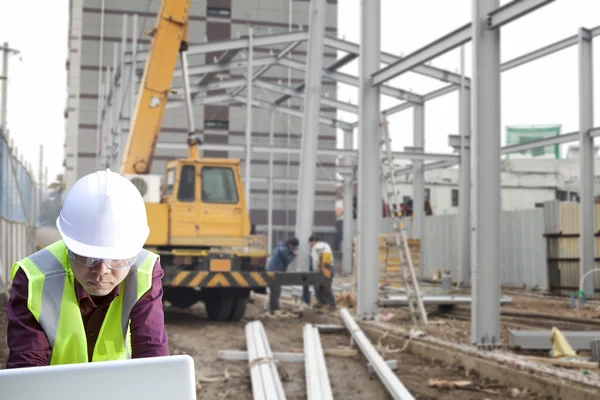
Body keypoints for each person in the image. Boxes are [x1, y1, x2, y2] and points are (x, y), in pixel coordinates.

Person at [6, 169, 169, 368]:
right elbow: (27, 365)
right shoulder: (33, 277)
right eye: (88, 258)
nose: (102, 270)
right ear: (69, 246)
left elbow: (151, 353)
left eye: (116, 260)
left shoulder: (145, 272)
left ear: (132, 253)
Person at [302, 234, 336, 309]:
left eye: (311, 243)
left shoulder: (314, 248)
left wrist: (315, 272)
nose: (311, 245)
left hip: (321, 269)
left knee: (317, 285)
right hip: (330, 268)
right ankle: (331, 303)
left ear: (313, 241)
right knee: (327, 286)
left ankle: (322, 302)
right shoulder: (326, 245)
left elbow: (315, 261)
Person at [266, 237, 299, 312]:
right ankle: (274, 309)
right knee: (275, 290)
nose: (293, 248)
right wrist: (293, 254)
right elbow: (287, 260)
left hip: (276, 271)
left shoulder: (283, 247)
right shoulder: (282, 249)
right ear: (290, 244)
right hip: (274, 272)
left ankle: (274, 308)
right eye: (293, 247)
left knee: (276, 290)